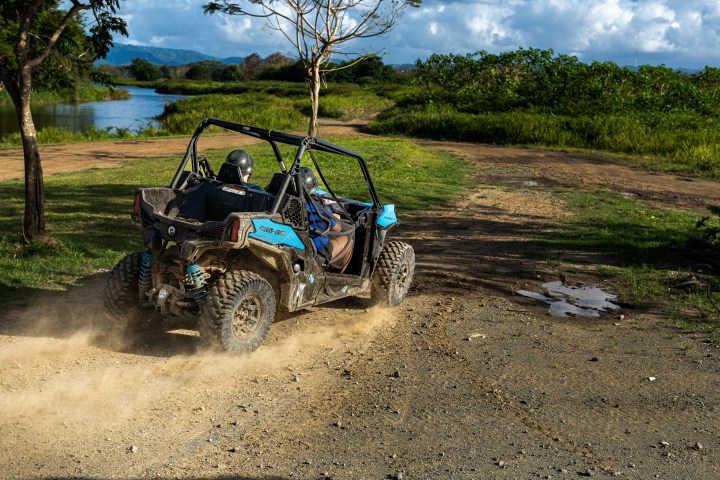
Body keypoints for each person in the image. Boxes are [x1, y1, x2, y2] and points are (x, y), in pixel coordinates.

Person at [299, 166, 354, 270]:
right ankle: (341, 282)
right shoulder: (317, 206)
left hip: (298, 245)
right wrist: (334, 216)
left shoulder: (288, 202)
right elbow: (337, 229)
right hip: (316, 252)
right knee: (348, 240)